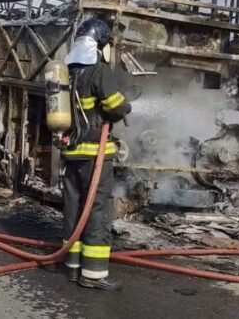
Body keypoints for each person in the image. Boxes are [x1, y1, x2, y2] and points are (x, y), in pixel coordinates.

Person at [61, 16, 131, 291]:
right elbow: (115, 106)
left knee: (74, 208)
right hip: (95, 154)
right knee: (98, 209)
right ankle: (94, 274)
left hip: (71, 153)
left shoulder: (69, 70)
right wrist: (126, 106)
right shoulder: (99, 71)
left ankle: (72, 267)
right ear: (100, 45)